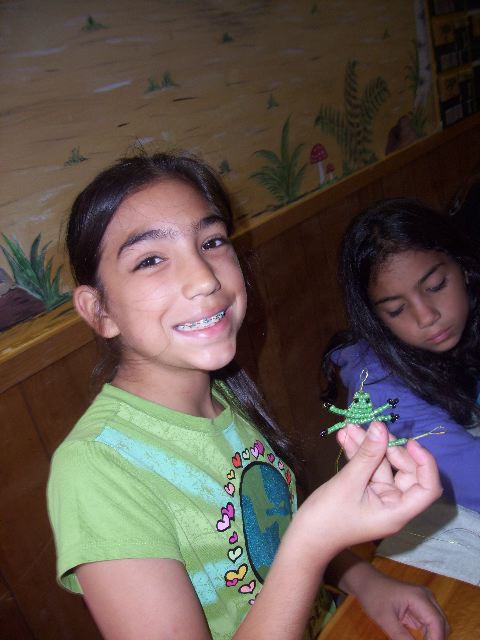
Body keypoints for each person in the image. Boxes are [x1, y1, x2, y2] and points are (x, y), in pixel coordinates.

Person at [47, 155, 447, 640]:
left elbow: (274, 536)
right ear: (99, 311)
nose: (204, 278)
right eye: (150, 260)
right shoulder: (96, 469)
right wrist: (312, 538)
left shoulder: (222, 395)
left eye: (212, 242)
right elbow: (298, 545)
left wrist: (365, 581)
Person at [322, 197, 480, 583]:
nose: (427, 316)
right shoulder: (375, 385)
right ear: (376, 318)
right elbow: (468, 477)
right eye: (396, 310)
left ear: (463, 267)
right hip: (439, 528)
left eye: (436, 286)